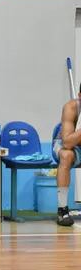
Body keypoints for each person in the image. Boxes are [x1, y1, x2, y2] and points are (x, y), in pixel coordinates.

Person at [53, 87, 81, 226]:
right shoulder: (71, 107)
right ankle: (62, 210)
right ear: (80, 95)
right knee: (66, 155)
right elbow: (68, 142)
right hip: (65, 143)